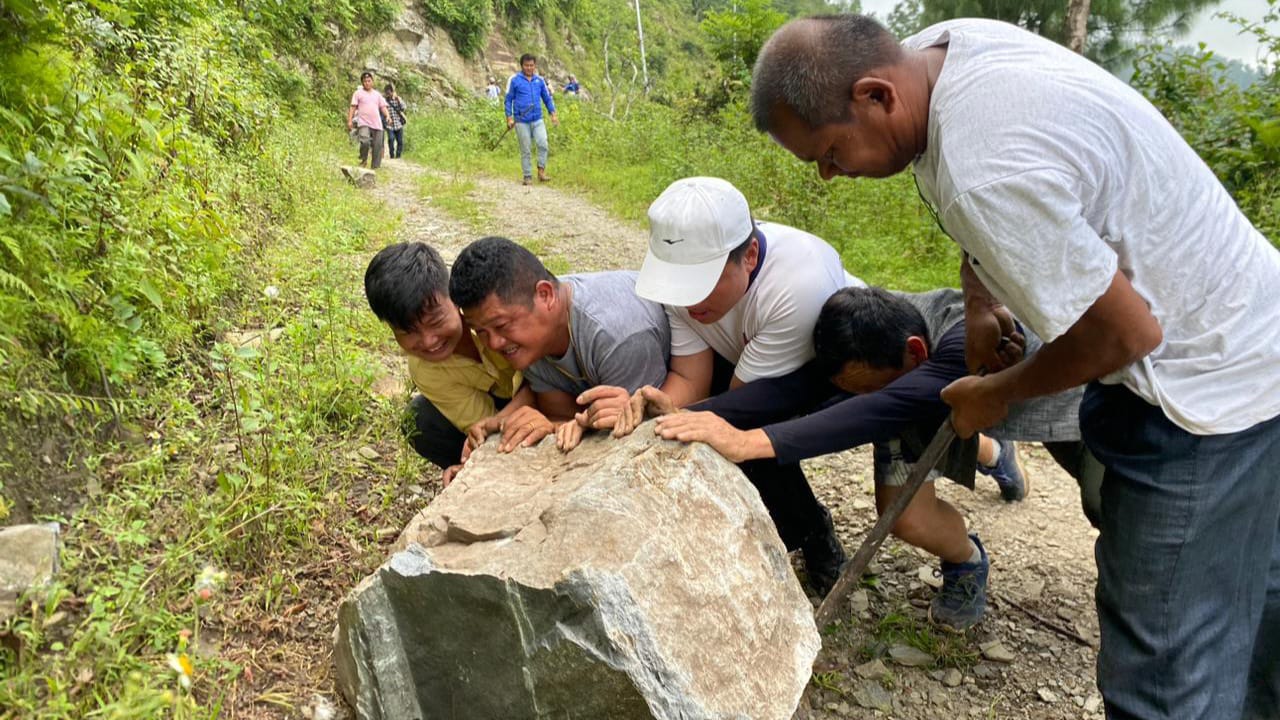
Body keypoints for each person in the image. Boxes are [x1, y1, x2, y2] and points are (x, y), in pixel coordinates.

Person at [750, 14, 1280, 720]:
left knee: (1164, 677)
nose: (828, 172)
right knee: (1256, 613)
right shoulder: (948, 50)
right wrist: (981, 298)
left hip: (1203, 393)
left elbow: (1125, 334)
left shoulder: (985, 164)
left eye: (829, 150)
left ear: (876, 96)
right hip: (1256, 334)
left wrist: (995, 393)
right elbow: (989, 208)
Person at [642, 286, 1091, 629]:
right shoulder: (869, 337)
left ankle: (994, 452)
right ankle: (967, 560)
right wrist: (689, 414)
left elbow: (873, 410)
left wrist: (747, 442)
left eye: (866, 385)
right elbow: (796, 389)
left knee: (1105, 501)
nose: (854, 394)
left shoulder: (964, 342)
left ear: (915, 351)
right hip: (923, 406)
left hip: (1059, 402)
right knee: (906, 519)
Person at [447, 236, 670, 453]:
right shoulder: (529, 337)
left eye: (502, 325)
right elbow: (560, 411)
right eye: (481, 331)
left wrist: (553, 426)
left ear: (545, 295)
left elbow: (638, 432)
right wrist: (512, 422)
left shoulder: (617, 335)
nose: (494, 343)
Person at [363, 242, 534, 485]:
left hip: (550, 382)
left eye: (435, 321)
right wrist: (479, 450)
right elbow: (485, 424)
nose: (429, 341)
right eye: (408, 332)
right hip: (510, 400)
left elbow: (547, 369)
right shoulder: (424, 369)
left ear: (453, 298)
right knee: (422, 420)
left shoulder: (495, 316)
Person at [504, 54, 558, 186]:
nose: (529, 68)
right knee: (526, 148)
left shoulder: (539, 81)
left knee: (543, 143)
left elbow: (547, 98)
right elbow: (508, 99)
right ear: (522, 66)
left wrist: (553, 113)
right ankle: (527, 176)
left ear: (535, 66)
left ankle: (541, 172)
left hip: (537, 119)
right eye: (526, 65)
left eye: (531, 65)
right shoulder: (515, 80)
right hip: (521, 120)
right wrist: (509, 118)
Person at [347, 71, 391, 169]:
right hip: (363, 122)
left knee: (377, 146)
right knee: (364, 141)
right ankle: (363, 160)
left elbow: (383, 107)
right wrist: (350, 120)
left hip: (377, 123)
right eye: (365, 81)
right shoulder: (358, 93)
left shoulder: (377, 94)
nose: (367, 83)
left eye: (369, 81)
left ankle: (375, 167)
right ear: (362, 83)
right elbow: (353, 107)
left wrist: (388, 116)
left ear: (372, 82)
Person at [383, 83, 407, 159]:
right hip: (389, 125)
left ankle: (398, 156)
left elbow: (403, 108)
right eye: (387, 93)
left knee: (400, 141)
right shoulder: (384, 101)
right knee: (391, 139)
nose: (388, 94)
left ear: (392, 92)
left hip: (398, 124)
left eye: (390, 92)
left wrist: (398, 100)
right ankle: (392, 154)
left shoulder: (397, 99)